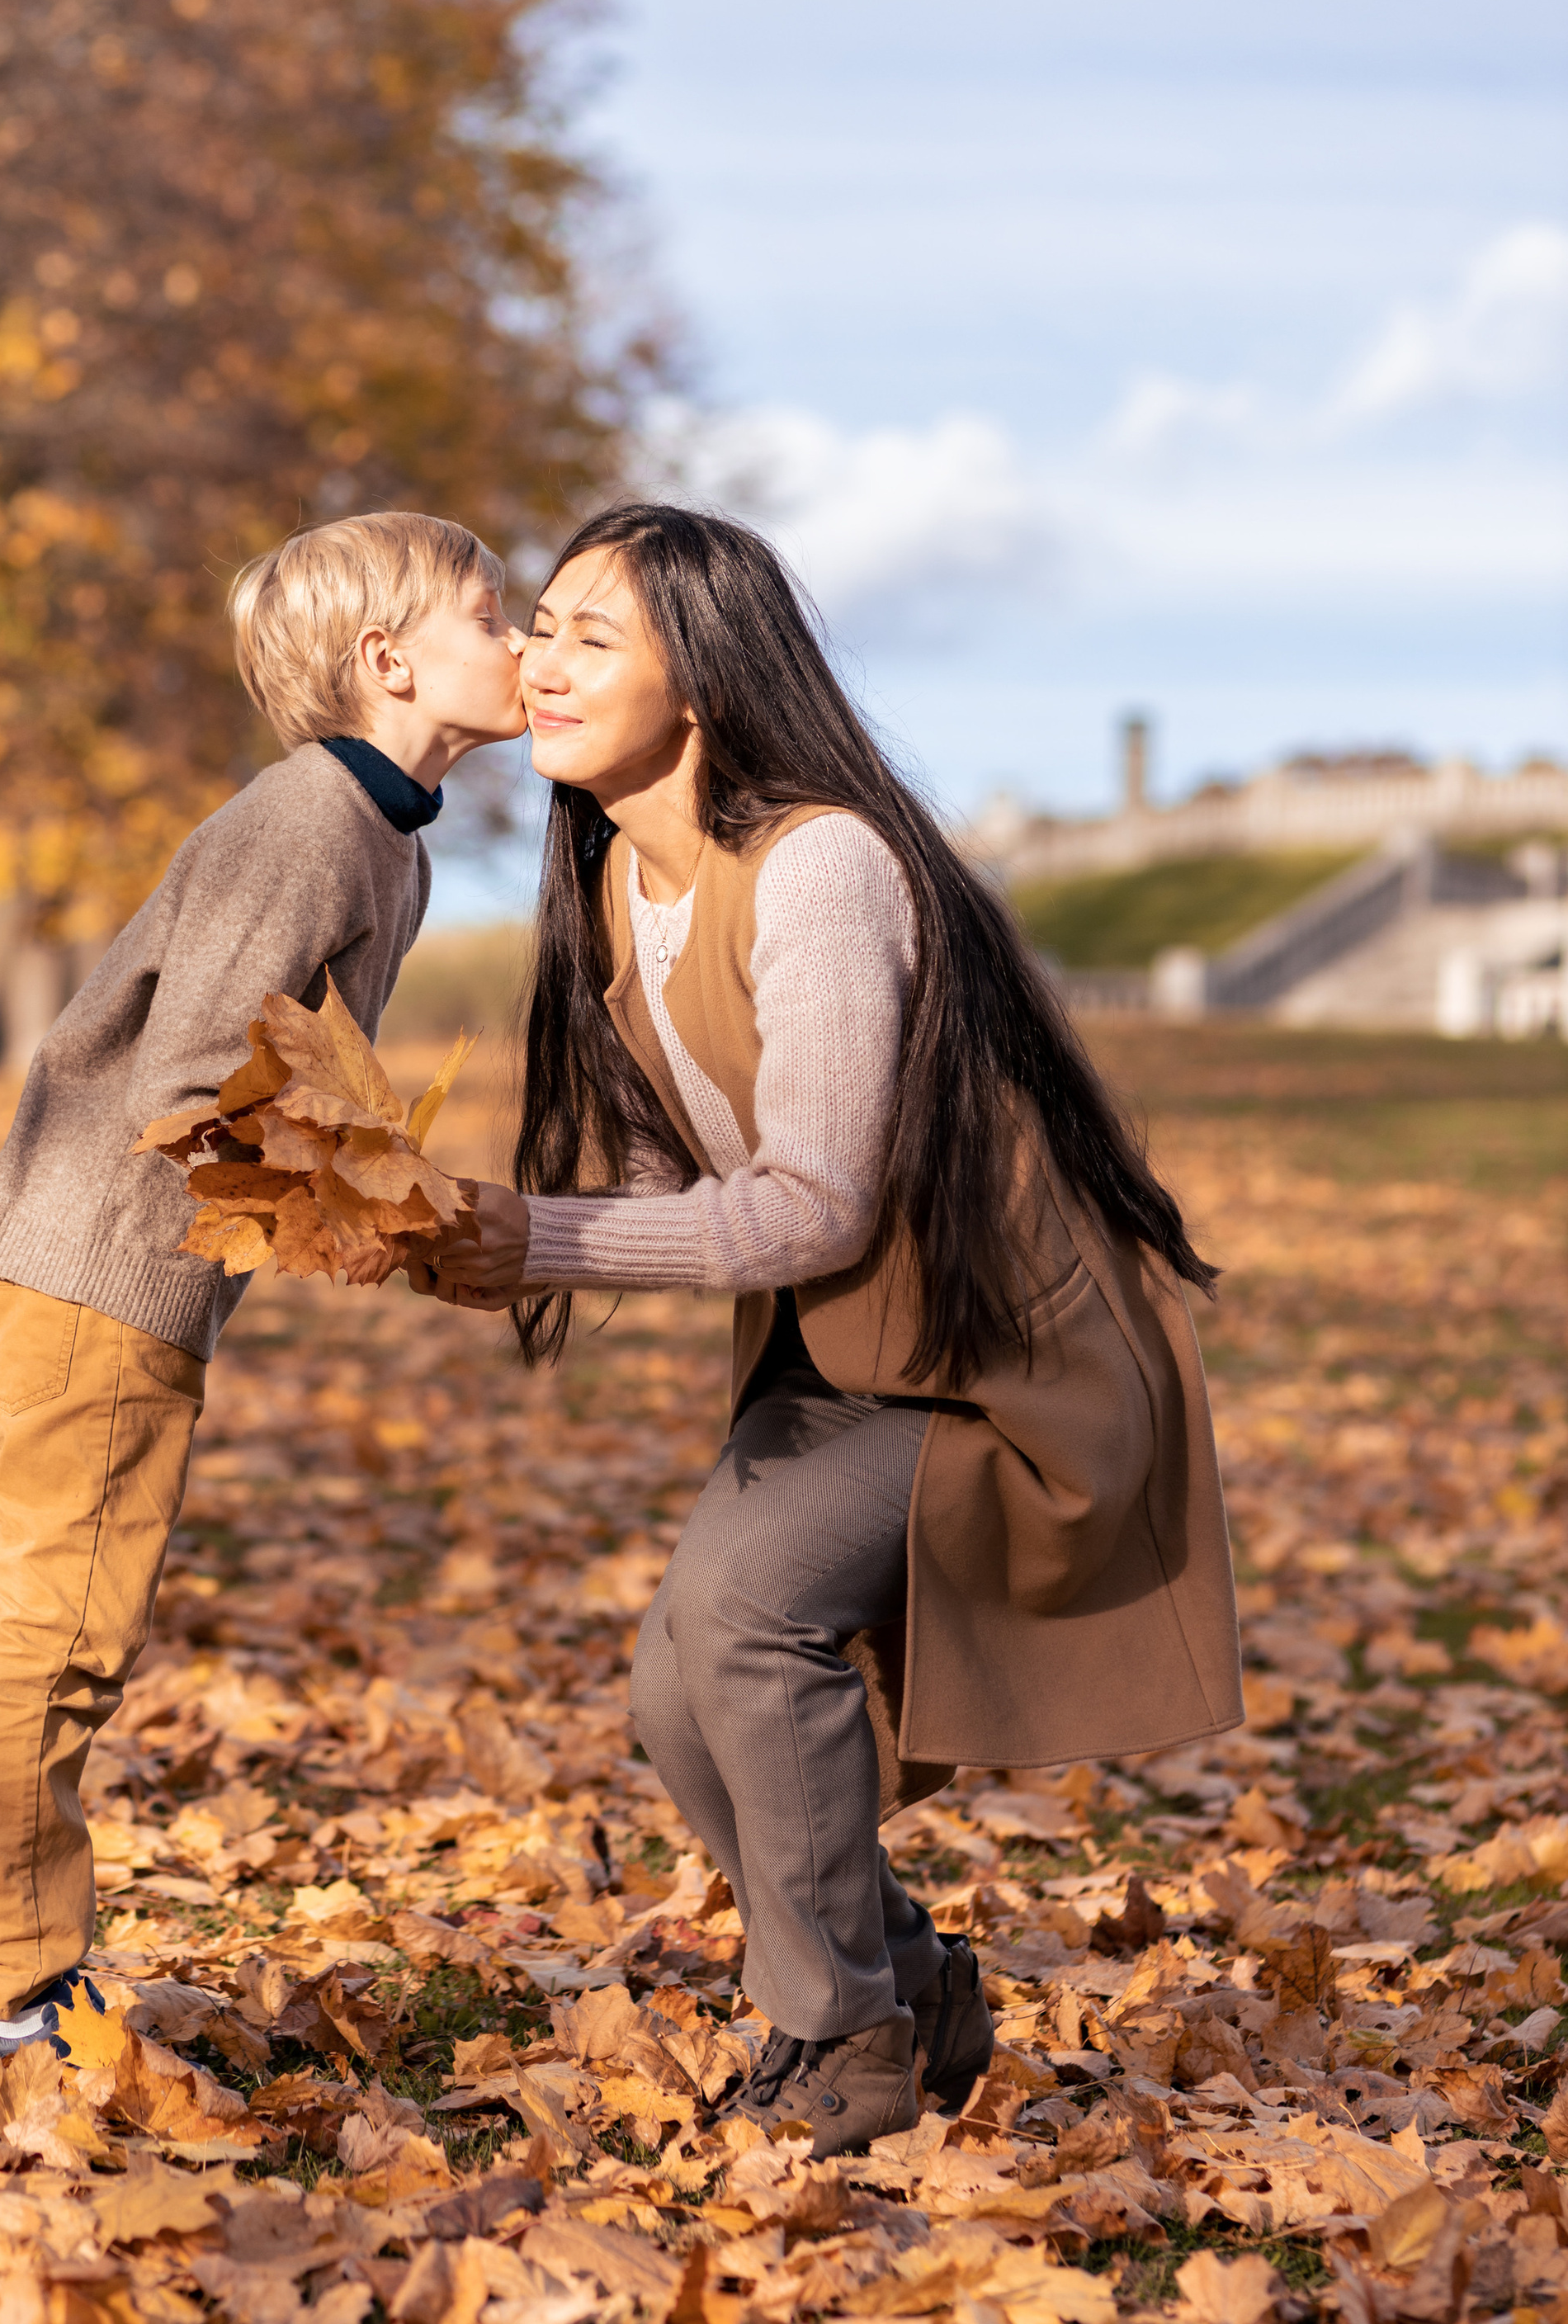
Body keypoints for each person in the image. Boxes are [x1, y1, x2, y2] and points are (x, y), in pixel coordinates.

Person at [427, 501, 1241, 2156]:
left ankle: (842, 2038)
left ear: (707, 681)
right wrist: (443, 1225)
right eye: (541, 626)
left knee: (740, 1618)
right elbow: (689, 1168)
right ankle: (909, 1971)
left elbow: (810, 1207)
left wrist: (537, 1235)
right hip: (848, 1353)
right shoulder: (614, 888)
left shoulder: (817, 864)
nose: (540, 659)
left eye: (593, 633)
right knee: (673, 1697)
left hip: (993, 1358)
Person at [0, 512, 527, 2056]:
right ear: (390, 663)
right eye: (493, 612)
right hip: (106, 1267)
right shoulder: (310, 822)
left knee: (19, 1610)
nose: (523, 639)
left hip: (95, 1262)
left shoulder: (380, 832)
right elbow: (200, 1068)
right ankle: (4, 1988)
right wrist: (372, 1196)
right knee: (57, 1625)